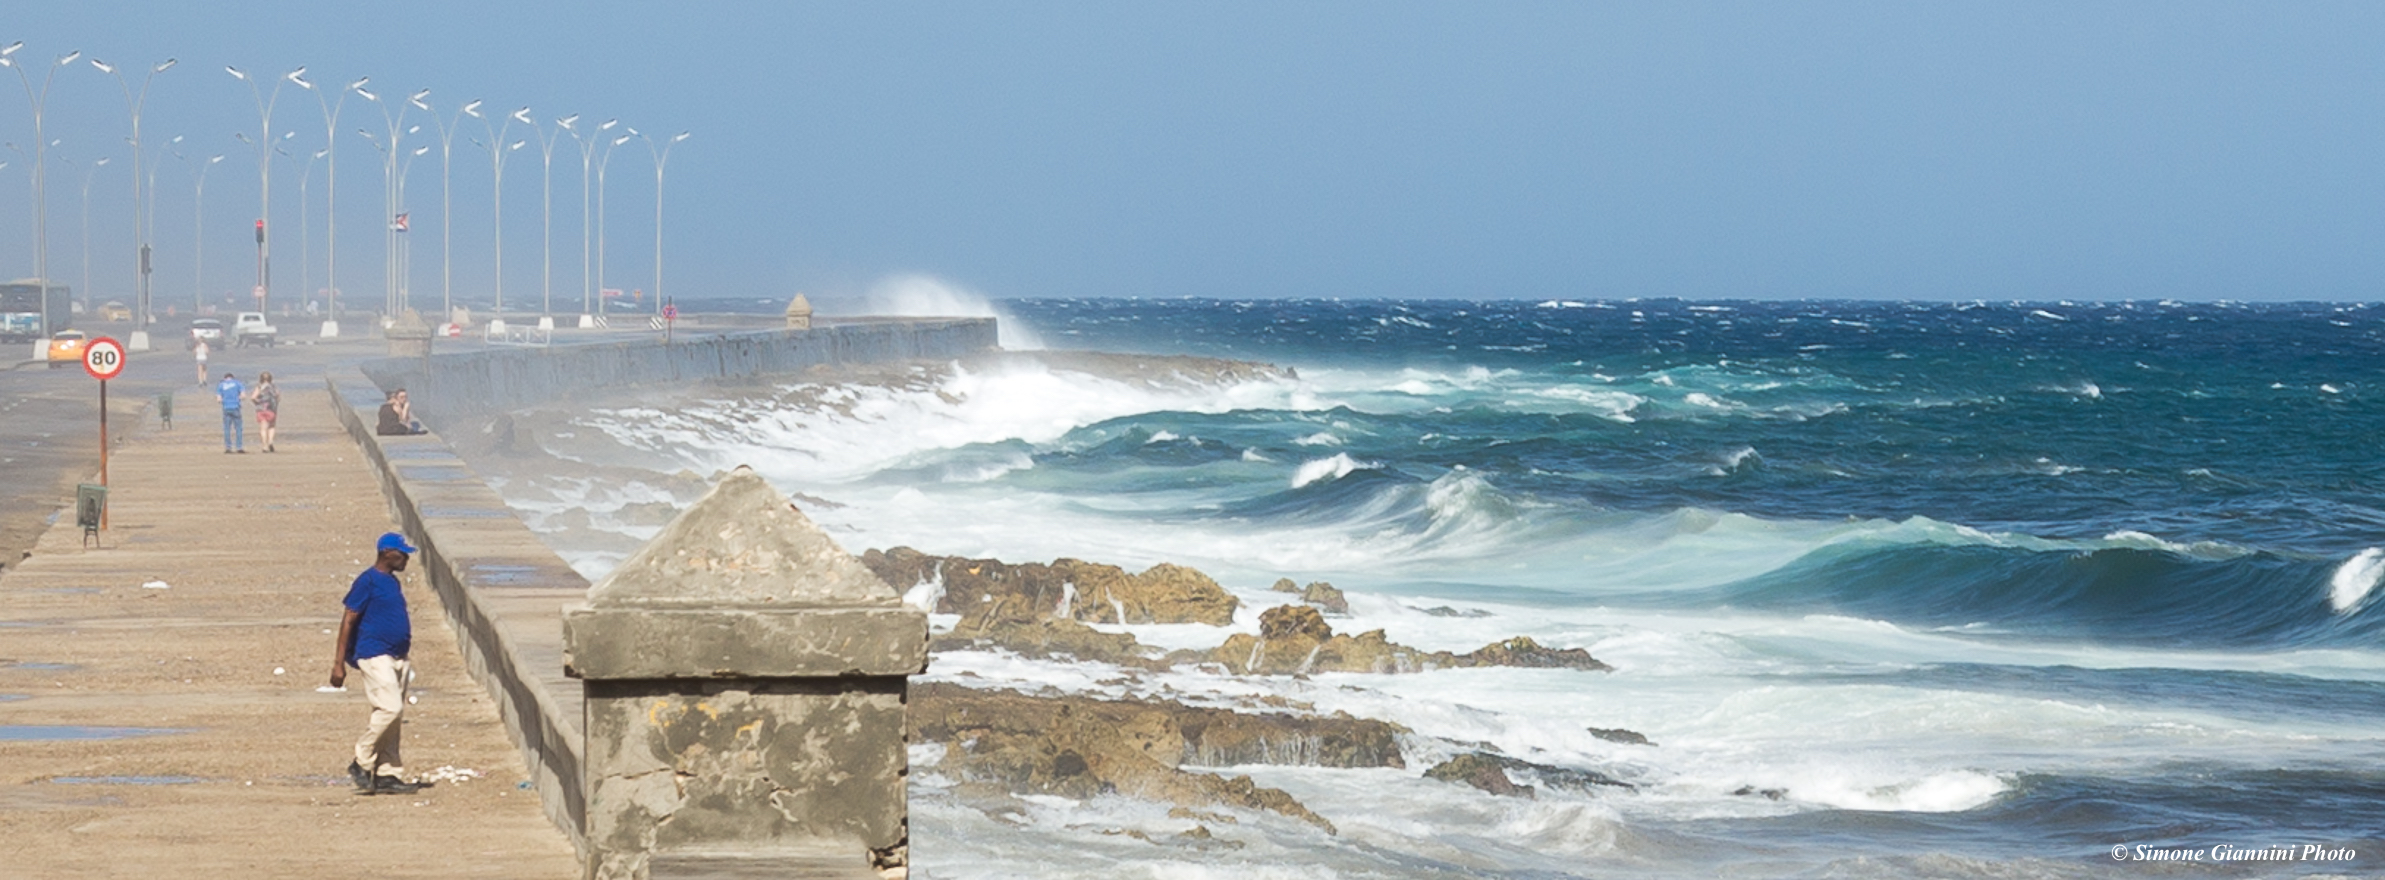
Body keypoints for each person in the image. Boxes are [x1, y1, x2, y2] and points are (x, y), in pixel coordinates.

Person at [330, 532, 427, 796]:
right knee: (390, 708)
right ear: (387, 553)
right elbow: (348, 620)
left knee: (394, 718)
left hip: (397, 656)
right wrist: (338, 664)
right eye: (402, 553)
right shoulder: (368, 581)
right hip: (373, 654)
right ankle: (360, 761)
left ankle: (387, 773)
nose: (406, 558)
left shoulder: (392, 582)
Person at [216, 372, 247, 453]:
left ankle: (228, 447)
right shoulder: (238, 383)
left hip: (226, 408)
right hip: (236, 407)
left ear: (225, 378)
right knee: (238, 428)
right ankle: (239, 447)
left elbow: (219, 399)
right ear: (233, 378)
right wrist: (237, 399)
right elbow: (243, 396)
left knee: (227, 428)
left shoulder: (221, 385)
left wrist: (225, 400)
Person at [251, 371, 280, 453]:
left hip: (261, 409)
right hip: (271, 409)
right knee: (272, 426)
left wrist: (257, 403)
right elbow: (278, 397)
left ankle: (265, 446)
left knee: (263, 428)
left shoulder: (259, 387)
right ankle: (270, 441)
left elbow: (253, 397)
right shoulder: (273, 387)